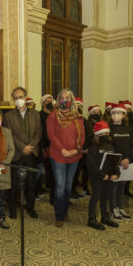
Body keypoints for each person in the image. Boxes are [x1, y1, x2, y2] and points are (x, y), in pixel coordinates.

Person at [46, 88, 85, 227]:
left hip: (74, 155)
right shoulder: (52, 116)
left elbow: (82, 136)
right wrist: (62, 150)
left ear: (72, 100)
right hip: (58, 156)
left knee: (69, 186)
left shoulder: (77, 116)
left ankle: (65, 211)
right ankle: (59, 215)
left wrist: (76, 150)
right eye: (62, 97)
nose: (64, 100)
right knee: (60, 186)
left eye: (67, 97)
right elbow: (51, 135)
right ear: (58, 99)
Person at [4, 87, 42, 219]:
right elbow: (9, 135)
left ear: (25, 97)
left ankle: (30, 208)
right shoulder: (8, 116)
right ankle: (13, 209)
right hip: (17, 154)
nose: (18, 100)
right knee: (14, 184)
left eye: (20, 97)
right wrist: (22, 147)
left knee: (31, 184)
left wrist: (30, 146)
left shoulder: (35, 114)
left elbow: (39, 133)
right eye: (15, 98)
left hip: (31, 153)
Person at [86, 121, 120, 230]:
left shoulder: (111, 145)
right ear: (97, 134)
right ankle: (91, 219)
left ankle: (105, 217)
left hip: (108, 176)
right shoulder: (93, 146)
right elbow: (91, 164)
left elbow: (115, 160)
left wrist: (116, 173)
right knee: (95, 197)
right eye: (102, 133)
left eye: (107, 133)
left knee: (105, 196)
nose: (105, 135)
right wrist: (101, 174)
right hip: (97, 176)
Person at [108, 103, 133, 221]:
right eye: (113, 113)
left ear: (124, 115)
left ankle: (120, 207)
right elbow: (109, 147)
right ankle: (113, 209)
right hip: (114, 163)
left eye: (119, 113)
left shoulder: (129, 129)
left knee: (121, 186)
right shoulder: (108, 129)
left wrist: (128, 159)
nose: (116, 115)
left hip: (126, 162)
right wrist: (119, 161)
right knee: (113, 187)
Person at [71, 97, 89, 199]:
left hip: (83, 151)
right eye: (77, 106)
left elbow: (87, 134)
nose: (79, 108)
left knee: (78, 173)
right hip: (75, 151)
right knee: (74, 173)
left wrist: (86, 147)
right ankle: (71, 191)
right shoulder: (72, 120)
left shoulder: (84, 120)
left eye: (81, 106)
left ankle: (74, 190)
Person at [39, 94, 54, 203]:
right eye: (47, 101)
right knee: (48, 170)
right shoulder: (40, 115)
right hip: (45, 147)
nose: (49, 103)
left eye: (50, 101)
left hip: (56, 146)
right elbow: (40, 132)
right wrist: (42, 146)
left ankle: (54, 194)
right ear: (42, 103)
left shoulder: (54, 114)